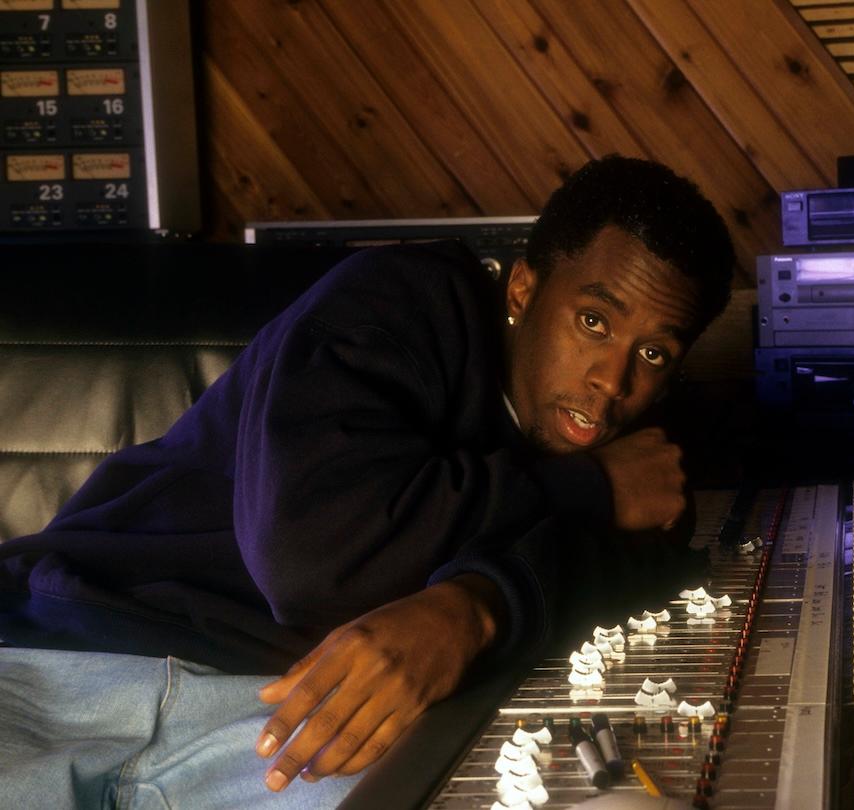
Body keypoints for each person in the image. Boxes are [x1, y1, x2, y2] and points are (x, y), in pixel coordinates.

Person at [0, 155, 735, 806]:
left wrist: (478, 606)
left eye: (656, 355)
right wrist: (585, 492)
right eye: (594, 322)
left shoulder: (633, 450)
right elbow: (310, 559)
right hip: (66, 656)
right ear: (522, 289)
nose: (612, 382)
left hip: (278, 722)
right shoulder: (402, 298)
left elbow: (636, 574)